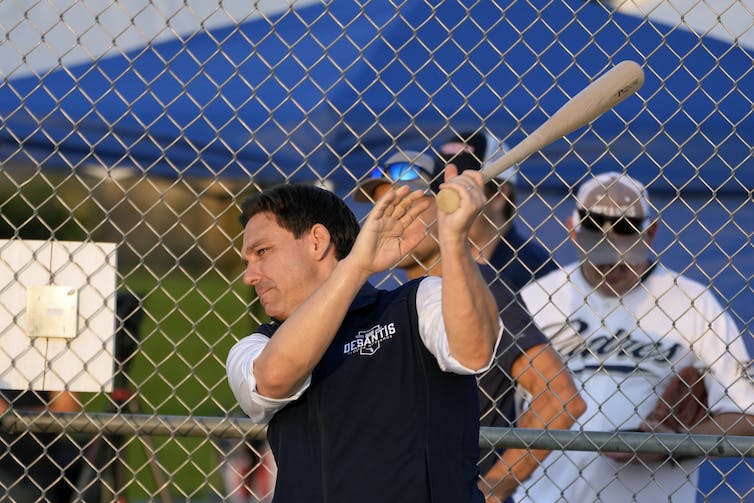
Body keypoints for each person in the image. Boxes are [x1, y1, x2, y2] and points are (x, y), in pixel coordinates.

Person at [226, 174, 503, 502]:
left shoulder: (415, 304)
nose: (250, 275)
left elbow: (475, 351)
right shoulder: (257, 348)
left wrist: (455, 241)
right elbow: (274, 378)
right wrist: (356, 266)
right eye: (248, 260)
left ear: (317, 241)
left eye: (263, 251)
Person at [355, 148, 586, 503]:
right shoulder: (387, 298)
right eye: (384, 209)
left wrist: (494, 486)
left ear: (446, 205)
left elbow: (559, 399)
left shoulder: (482, 289)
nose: (393, 221)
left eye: (408, 206)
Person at [514, 171, 754, 502]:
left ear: (650, 233)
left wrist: (673, 444)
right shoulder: (538, 299)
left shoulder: (693, 302)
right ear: (573, 230)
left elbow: (747, 414)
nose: (611, 266)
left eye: (623, 255)